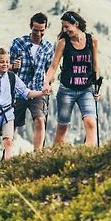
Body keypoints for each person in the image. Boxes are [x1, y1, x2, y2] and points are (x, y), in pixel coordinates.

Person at [0, 47, 50, 174]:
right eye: (1, 62)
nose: (4, 64)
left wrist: (41, 92)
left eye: (6, 62)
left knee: (8, 141)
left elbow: (26, 93)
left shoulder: (12, 78)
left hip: (7, 113)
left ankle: (7, 169)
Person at [43, 11, 100, 146]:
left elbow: (96, 65)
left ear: (76, 24)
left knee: (91, 123)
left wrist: (97, 87)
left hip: (86, 89)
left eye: (67, 26)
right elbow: (53, 66)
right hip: (66, 90)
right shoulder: (63, 43)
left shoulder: (92, 40)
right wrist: (46, 83)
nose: (65, 30)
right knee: (63, 127)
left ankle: (89, 156)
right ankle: (55, 157)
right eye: (63, 27)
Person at [9, 12, 54, 149]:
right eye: (36, 30)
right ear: (30, 27)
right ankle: (7, 156)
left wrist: (50, 82)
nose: (39, 34)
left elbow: (49, 69)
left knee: (40, 120)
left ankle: (37, 155)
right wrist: (12, 66)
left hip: (38, 91)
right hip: (19, 91)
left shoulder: (48, 46)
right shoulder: (18, 43)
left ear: (45, 28)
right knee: (13, 125)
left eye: (42, 30)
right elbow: (5, 67)